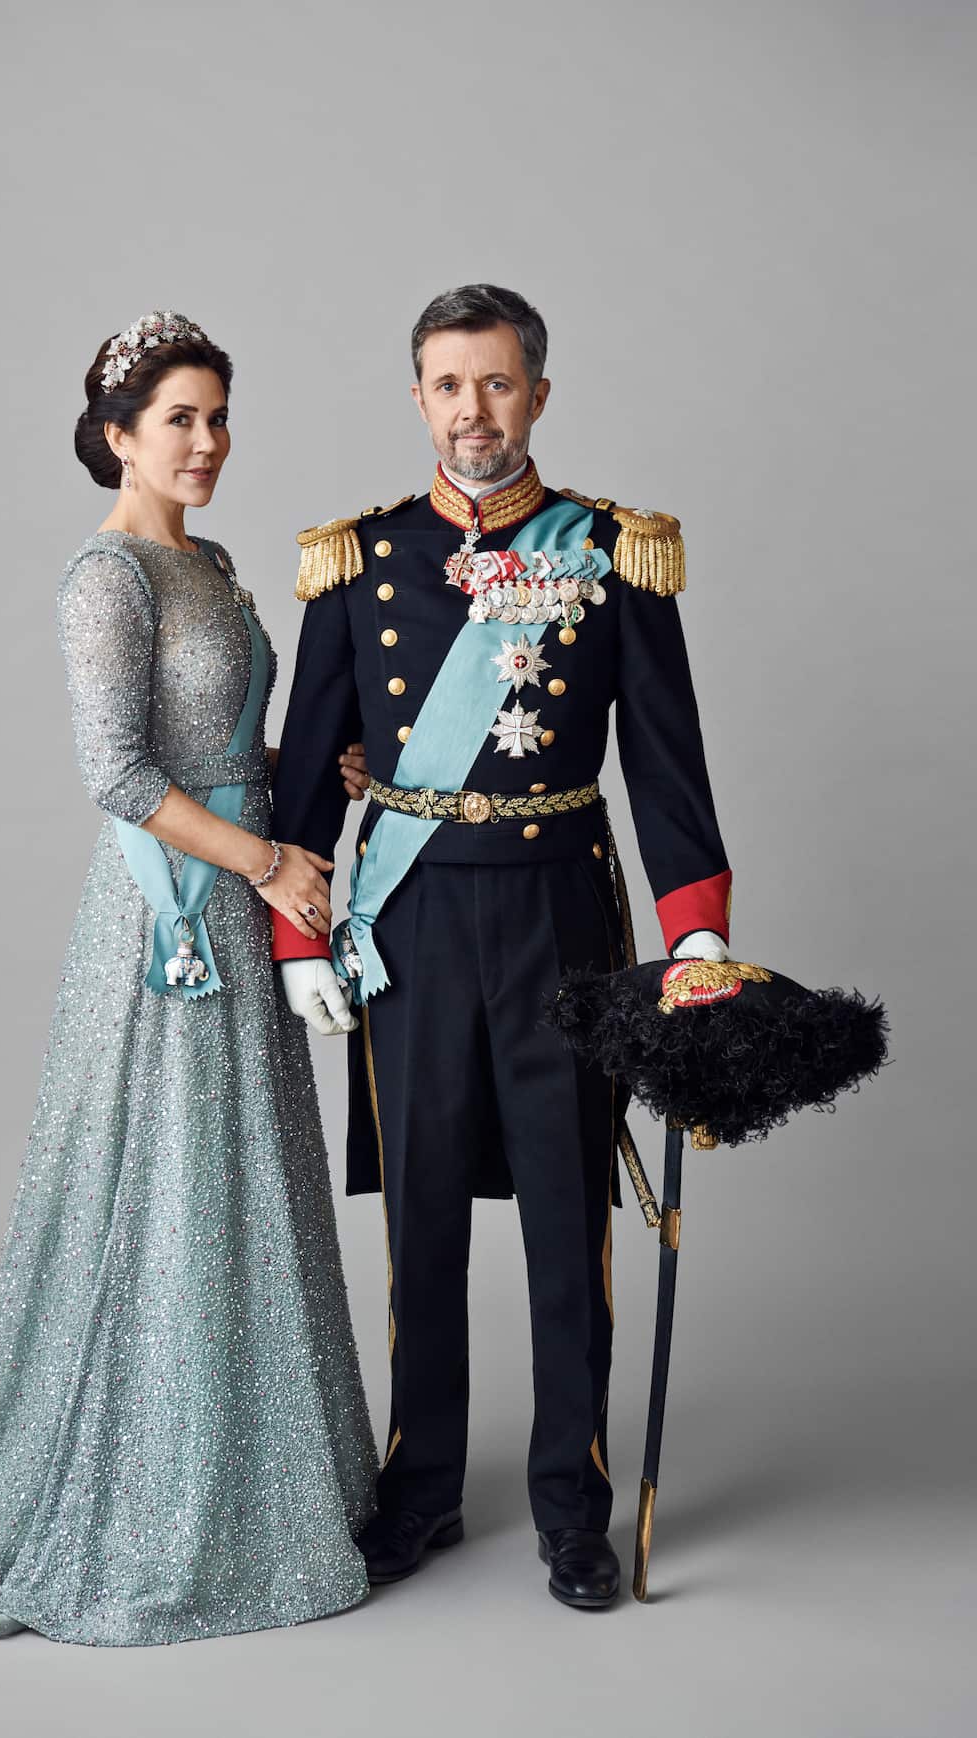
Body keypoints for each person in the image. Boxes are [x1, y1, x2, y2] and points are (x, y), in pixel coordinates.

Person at [0, 312, 380, 1646]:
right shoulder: (110, 578)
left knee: (241, 1179)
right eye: (180, 419)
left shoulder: (218, 562)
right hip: (170, 914)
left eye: (218, 414)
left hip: (244, 889)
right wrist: (262, 860)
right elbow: (121, 775)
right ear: (116, 436)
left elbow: (222, 737)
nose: (208, 441)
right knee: (161, 1187)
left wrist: (326, 774)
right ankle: (145, 1504)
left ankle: (260, 1487)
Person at [270, 285, 732, 1611]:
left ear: (537, 391)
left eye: (498, 383)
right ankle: (419, 1487)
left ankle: (570, 1500)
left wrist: (694, 945)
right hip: (408, 921)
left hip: (560, 917)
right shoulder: (354, 561)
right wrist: (304, 933)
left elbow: (668, 771)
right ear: (417, 397)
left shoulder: (611, 550)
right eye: (448, 384)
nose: (474, 410)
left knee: (565, 1212)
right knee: (419, 1215)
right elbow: (311, 770)